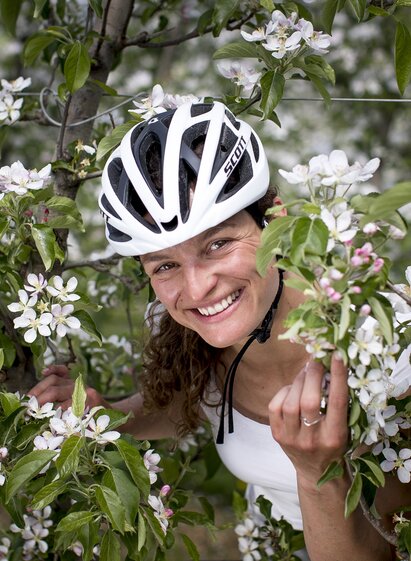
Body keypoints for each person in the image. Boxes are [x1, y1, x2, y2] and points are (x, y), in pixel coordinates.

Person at [29, 100, 410, 561]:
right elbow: (192, 399)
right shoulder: (185, 326)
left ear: (275, 221)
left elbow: (387, 549)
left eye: (218, 243)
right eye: (164, 265)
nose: (196, 289)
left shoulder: (388, 355)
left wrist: (317, 476)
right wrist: (110, 414)